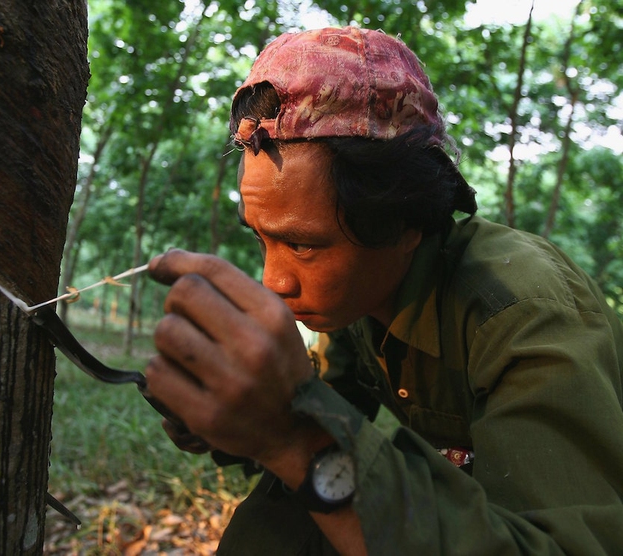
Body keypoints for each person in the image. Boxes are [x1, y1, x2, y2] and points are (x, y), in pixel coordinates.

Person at [143, 26, 623, 555]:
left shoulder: (522, 313)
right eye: (262, 239)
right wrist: (232, 415)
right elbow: (325, 408)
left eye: (302, 245)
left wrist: (294, 439)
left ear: (403, 221)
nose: (273, 281)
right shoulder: (356, 303)